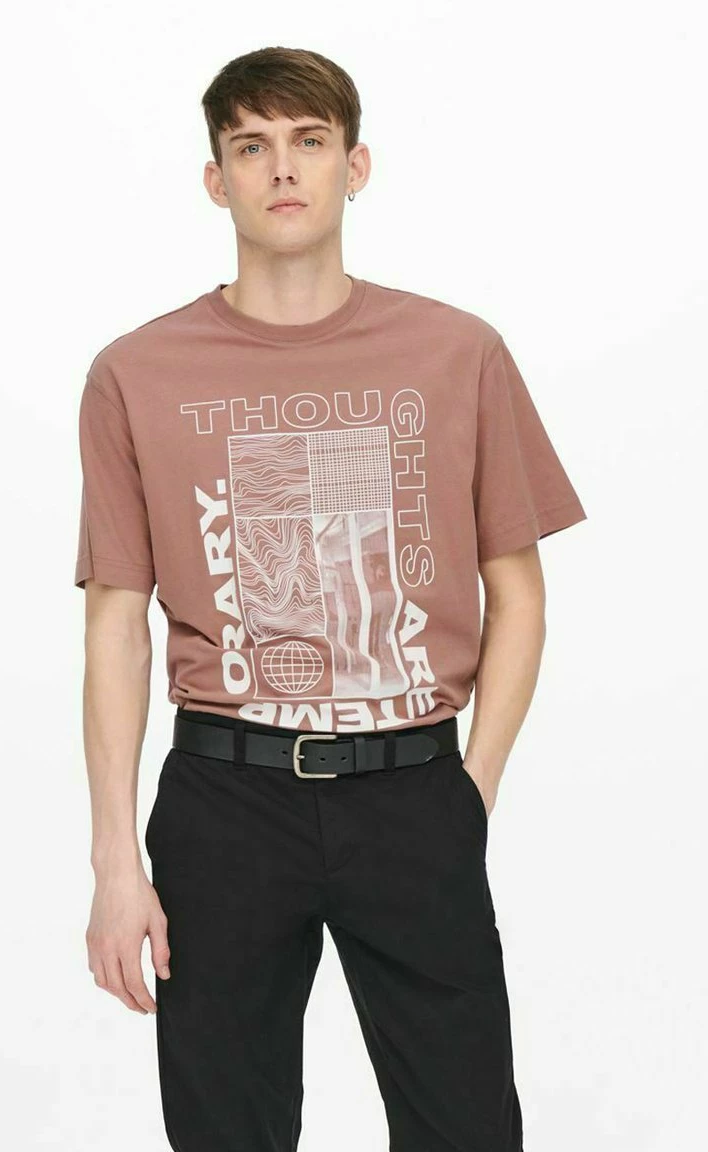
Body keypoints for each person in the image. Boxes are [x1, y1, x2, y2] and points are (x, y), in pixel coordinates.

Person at [74, 45, 587, 1152]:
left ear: (355, 167)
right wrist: (116, 862)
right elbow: (115, 624)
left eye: (308, 141)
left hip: (411, 786)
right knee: (225, 1130)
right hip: (225, 796)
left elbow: (517, 591)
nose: (282, 168)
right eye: (250, 146)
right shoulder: (136, 372)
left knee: (466, 1127)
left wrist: (470, 792)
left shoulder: (457, 352)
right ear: (215, 179)